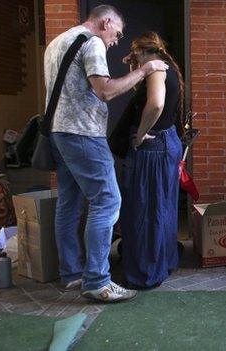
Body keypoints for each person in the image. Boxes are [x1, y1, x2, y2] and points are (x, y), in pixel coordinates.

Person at [44, 5, 168, 302]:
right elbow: (106, 91)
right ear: (106, 21)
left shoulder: (58, 42)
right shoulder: (93, 42)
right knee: (107, 200)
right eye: (118, 33)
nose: (116, 40)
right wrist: (145, 69)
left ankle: (72, 273)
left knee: (69, 203)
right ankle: (98, 281)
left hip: (58, 133)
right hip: (84, 133)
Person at [117, 32, 184, 289]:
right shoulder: (165, 67)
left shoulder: (156, 71)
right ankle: (162, 264)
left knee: (144, 208)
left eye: (134, 54)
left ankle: (145, 273)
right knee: (161, 207)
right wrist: (136, 68)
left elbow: (155, 104)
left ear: (140, 50)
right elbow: (146, 97)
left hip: (153, 146)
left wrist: (141, 133)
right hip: (166, 144)